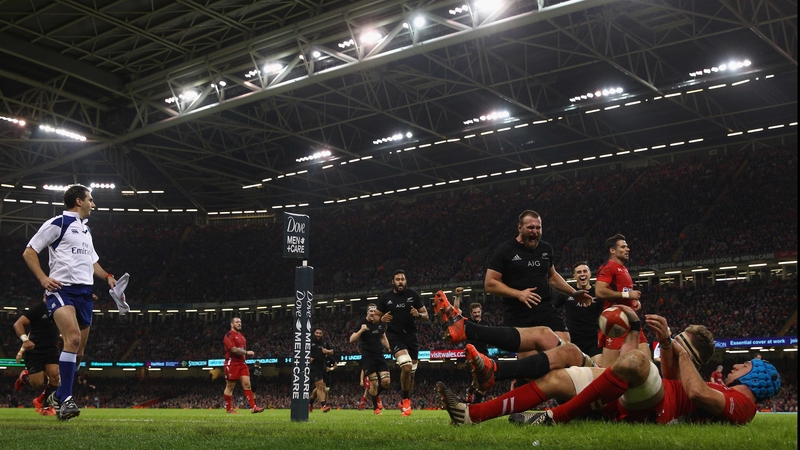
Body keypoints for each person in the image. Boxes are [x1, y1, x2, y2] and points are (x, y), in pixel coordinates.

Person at [439, 307, 780, 427]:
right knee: (559, 376)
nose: (738, 365)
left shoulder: (743, 405)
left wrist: (674, 345)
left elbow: (691, 390)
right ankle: (474, 414)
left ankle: (556, 418)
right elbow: (679, 382)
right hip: (635, 392)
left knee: (634, 360)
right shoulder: (713, 386)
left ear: (758, 376)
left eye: (746, 364)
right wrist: (655, 338)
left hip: (654, 404)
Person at [22, 184, 117, 421]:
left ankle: (59, 394)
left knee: (80, 352)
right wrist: (44, 278)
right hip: (61, 291)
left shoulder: (86, 231)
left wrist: (107, 276)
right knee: (72, 339)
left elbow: (92, 262)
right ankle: (66, 399)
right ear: (78, 201)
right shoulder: (58, 223)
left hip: (85, 294)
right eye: (90, 200)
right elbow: (30, 251)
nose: (93, 204)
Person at [484, 210, 593, 358]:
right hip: (518, 313)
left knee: (566, 348)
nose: (535, 231)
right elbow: (490, 283)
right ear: (520, 228)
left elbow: (552, 276)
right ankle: (519, 381)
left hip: (544, 308)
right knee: (530, 364)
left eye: (538, 228)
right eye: (530, 228)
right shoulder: (505, 251)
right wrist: (519, 294)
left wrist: (573, 293)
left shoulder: (546, 249)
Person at [375, 269, 429, 416]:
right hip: (395, 337)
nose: (400, 281)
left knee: (411, 373)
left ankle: (404, 400)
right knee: (406, 367)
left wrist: (418, 315)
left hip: (412, 337)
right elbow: (375, 318)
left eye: (402, 279)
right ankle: (406, 401)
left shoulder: (413, 295)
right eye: (397, 279)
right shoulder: (386, 298)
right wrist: (381, 319)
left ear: (406, 281)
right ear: (393, 282)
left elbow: (426, 315)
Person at [594, 234, 649, 366]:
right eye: (623, 246)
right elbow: (600, 291)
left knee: (645, 359)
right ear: (612, 250)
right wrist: (627, 296)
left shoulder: (623, 269)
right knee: (610, 367)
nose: (627, 249)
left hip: (630, 318)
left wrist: (634, 302)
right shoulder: (608, 267)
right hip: (615, 320)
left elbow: (624, 292)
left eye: (627, 246)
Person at [13, 296, 60, 416]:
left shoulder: (59, 308)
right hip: (35, 351)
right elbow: (18, 324)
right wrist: (25, 340)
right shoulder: (38, 309)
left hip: (51, 349)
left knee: (55, 376)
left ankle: (47, 407)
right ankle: (25, 378)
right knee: (37, 383)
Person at [552, 262, 602, 361]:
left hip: (593, 339)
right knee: (576, 371)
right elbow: (551, 309)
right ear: (574, 276)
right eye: (579, 272)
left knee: (597, 369)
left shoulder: (598, 294)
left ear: (590, 274)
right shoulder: (567, 293)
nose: (582, 274)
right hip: (573, 339)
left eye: (585, 271)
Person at [350, 303, 391, 414]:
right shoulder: (361, 323)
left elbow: (383, 337)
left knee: (386, 381)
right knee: (373, 383)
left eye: (375, 311)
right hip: (368, 356)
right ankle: (375, 408)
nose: (373, 313)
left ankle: (375, 394)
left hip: (379, 354)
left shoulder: (380, 323)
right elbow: (351, 339)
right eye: (371, 311)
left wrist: (389, 347)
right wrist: (361, 331)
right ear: (367, 312)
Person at [223, 317, 264, 414]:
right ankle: (229, 409)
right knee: (230, 386)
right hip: (232, 363)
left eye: (240, 322)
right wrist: (246, 352)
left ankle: (253, 407)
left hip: (242, 364)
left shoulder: (242, 336)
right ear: (232, 324)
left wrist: (245, 355)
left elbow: (241, 350)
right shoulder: (229, 335)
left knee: (247, 384)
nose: (239, 324)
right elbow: (233, 349)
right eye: (237, 322)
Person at [309, 328, 334, 412]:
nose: (318, 335)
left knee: (321, 387)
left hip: (323, 367)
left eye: (320, 333)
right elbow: (302, 352)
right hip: (314, 367)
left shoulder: (324, 342)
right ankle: (323, 406)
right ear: (314, 333)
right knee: (320, 386)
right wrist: (308, 358)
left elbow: (332, 351)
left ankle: (310, 403)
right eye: (317, 333)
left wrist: (327, 351)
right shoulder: (309, 342)